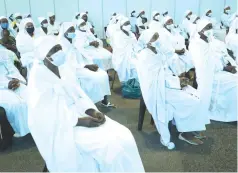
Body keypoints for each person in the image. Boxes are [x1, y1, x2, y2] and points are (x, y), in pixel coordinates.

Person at [28, 35, 145, 172]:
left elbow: (78, 94)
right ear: (44, 55)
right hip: (62, 125)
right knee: (109, 148)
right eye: (54, 49)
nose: (60, 52)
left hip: (80, 113)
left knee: (124, 136)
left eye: (59, 47)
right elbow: (43, 116)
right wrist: (81, 121)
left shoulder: (63, 68)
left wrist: (91, 110)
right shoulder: (38, 78)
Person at [137, 30, 208, 149]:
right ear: (147, 41)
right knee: (192, 101)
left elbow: (166, 70)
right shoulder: (144, 56)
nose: (156, 40)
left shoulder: (157, 52)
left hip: (167, 85)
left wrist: (178, 79)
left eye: (156, 37)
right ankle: (185, 133)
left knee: (197, 95)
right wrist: (176, 82)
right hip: (158, 91)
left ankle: (190, 128)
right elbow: (153, 80)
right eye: (153, 38)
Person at [189, 20, 238, 122]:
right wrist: (223, 68)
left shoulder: (209, 42)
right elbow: (203, 64)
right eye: (207, 27)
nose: (210, 30)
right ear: (200, 30)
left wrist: (225, 66)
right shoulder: (196, 44)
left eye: (211, 27)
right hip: (206, 75)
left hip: (215, 71)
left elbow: (215, 59)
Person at [58, 22, 114, 106]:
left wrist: (89, 63)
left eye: (73, 30)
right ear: (64, 32)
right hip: (71, 70)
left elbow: (80, 55)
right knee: (97, 77)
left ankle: (104, 100)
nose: (73, 32)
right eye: (70, 30)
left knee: (103, 74)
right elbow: (67, 63)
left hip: (80, 66)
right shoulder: (62, 45)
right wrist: (86, 66)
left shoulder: (73, 41)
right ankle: (89, 103)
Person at [0, 47, 29, 142]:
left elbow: (12, 68)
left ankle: (36, 127)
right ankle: (21, 131)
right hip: (1, 87)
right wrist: (5, 85)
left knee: (31, 97)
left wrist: (17, 80)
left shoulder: (3, 52)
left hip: (13, 81)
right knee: (16, 105)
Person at [111, 17, 138, 83]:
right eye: (126, 24)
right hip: (122, 57)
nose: (129, 25)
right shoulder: (118, 35)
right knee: (136, 65)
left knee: (143, 62)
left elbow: (136, 45)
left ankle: (137, 83)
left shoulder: (131, 34)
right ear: (121, 26)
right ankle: (132, 83)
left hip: (132, 54)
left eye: (129, 23)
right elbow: (119, 49)